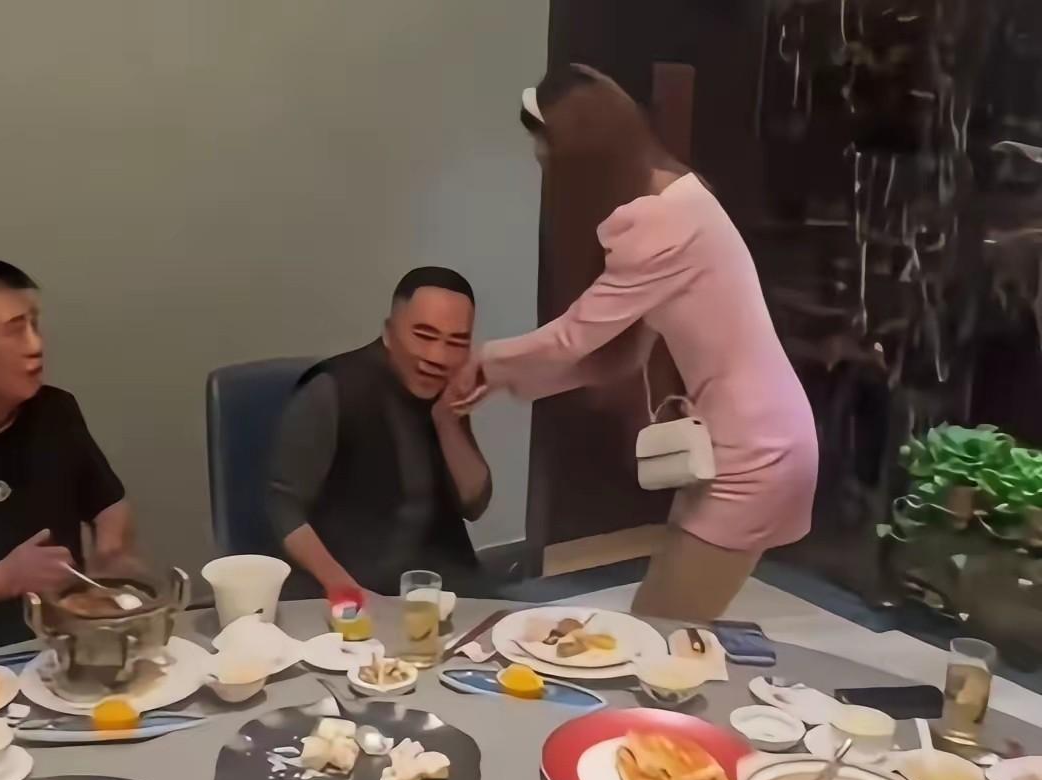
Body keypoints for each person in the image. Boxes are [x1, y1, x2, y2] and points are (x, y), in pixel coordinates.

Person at [453, 67, 818, 621]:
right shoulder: (678, 198)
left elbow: (575, 336)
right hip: (745, 440)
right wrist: (501, 377)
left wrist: (486, 360)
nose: (541, 160)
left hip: (754, 451)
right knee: (669, 618)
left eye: (547, 148)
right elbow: (614, 354)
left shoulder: (659, 223)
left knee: (663, 628)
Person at [266, 267, 492, 600]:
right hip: (350, 580)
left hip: (438, 581)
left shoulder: (449, 389)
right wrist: (343, 586)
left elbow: (474, 503)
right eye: (424, 336)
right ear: (389, 332)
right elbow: (283, 506)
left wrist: (447, 420)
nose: (438, 357)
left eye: (457, 342)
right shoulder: (333, 389)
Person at [0, 256, 135, 656]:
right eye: (14, 330)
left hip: (63, 643)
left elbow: (108, 503)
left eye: (34, 324)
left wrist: (112, 551)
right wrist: (3, 578)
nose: (35, 346)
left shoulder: (55, 412)